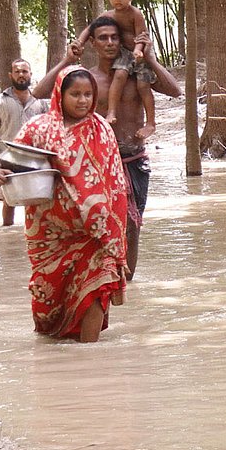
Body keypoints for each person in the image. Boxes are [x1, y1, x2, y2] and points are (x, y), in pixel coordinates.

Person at [0, 66, 128, 343]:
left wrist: (115, 233)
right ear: (59, 95)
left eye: (88, 94)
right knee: (49, 302)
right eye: (75, 94)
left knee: (96, 286)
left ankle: (89, 355)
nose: (83, 100)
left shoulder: (101, 130)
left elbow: (116, 183)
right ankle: (58, 353)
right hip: (49, 233)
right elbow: (9, 160)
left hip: (95, 232)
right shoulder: (38, 128)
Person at [36, 16, 182, 280]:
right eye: (103, 38)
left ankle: (127, 283)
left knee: (132, 224)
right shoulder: (84, 80)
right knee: (94, 224)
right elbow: (40, 92)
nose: (110, 43)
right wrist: (68, 60)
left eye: (115, 37)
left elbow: (174, 90)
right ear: (92, 42)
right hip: (96, 163)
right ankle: (99, 281)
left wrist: (148, 57)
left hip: (133, 159)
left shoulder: (137, 73)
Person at [73, 0, 156, 133]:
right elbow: (89, 30)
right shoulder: (107, 15)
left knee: (143, 86)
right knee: (119, 76)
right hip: (124, 55)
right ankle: (112, 111)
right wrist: (79, 42)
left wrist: (139, 51)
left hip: (138, 55)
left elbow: (141, 36)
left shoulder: (136, 14)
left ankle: (151, 123)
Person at [0, 58, 47, 226]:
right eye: (17, 72)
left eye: (24, 72)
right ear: (10, 75)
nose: (21, 75)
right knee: (9, 201)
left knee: (37, 200)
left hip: (35, 159)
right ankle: (7, 233)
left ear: (30, 75)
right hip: (7, 159)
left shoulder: (40, 101)